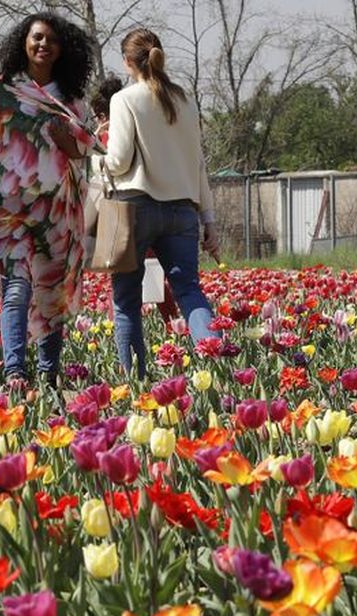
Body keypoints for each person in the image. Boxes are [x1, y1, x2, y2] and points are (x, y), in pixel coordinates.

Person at [0, 13, 98, 390]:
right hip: (7, 208)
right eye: (37, 38)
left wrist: (65, 137)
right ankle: (14, 371)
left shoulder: (72, 101)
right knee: (17, 286)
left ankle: (48, 373)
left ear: (64, 50)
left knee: (52, 293)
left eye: (52, 40)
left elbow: (82, 149)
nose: (44, 45)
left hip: (55, 211)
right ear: (23, 43)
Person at [103, 28, 219, 378]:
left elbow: (120, 161)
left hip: (131, 207)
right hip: (183, 208)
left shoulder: (124, 99)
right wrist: (209, 219)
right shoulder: (185, 100)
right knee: (189, 292)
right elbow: (198, 162)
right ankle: (214, 366)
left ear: (127, 62)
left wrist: (98, 157)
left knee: (126, 302)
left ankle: (135, 382)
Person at [87, 77, 181, 325]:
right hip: (156, 207)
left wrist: (94, 148)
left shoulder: (109, 138)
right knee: (152, 278)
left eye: (97, 116)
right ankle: (172, 323)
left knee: (124, 285)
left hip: (121, 214)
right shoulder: (142, 130)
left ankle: (122, 330)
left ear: (102, 114)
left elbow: (108, 171)